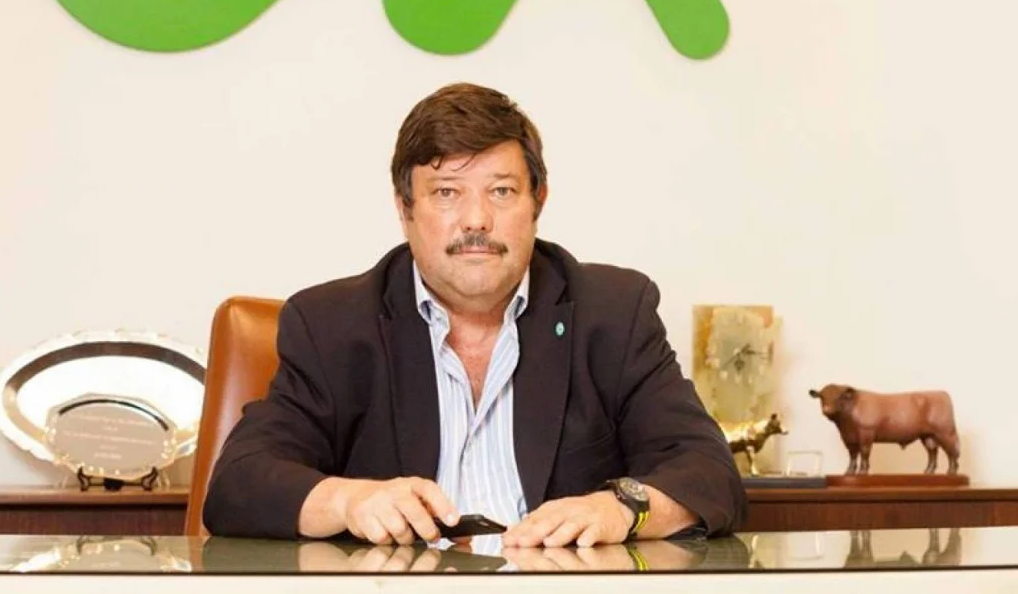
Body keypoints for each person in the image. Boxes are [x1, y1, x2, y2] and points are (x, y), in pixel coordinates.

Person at [205, 83, 745, 545]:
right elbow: (238, 483)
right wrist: (349, 501)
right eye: (446, 192)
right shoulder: (333, 325)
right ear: (404, 209)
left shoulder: (612, 314)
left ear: (538, 202)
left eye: (502, 191)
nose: (476, 220)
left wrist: (623, 508)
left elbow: (709, 473)